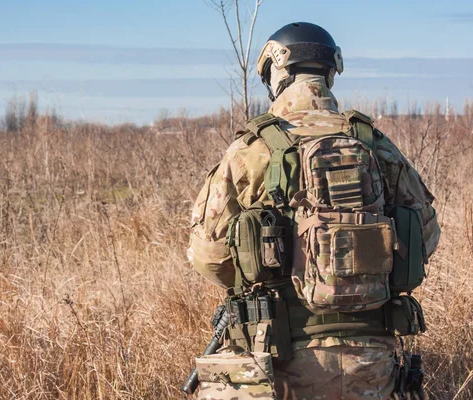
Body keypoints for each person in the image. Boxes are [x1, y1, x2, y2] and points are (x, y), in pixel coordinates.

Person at [188, 22, 440, 400]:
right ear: (330, 74)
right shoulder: (373, 143)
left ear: (276, 71)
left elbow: (210, 258)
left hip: (278, 356)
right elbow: (425, 236)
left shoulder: (254, 149)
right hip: (371, 360)